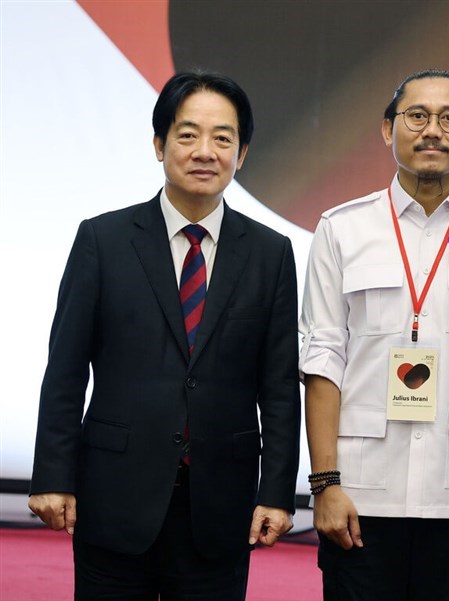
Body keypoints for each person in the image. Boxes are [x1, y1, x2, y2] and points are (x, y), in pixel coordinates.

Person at [28, 71, 301, 600]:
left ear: (241, 153)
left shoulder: (271, 254)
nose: (205, 151)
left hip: (220, 506)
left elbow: (279, 384)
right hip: (113, 496)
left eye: (223, 138)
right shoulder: (102, 240)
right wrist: (52, 475)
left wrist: (277, 492)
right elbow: (64, 369)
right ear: (159, 144)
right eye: (187, 134)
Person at [299, 69, 449, 600]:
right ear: (388, 130)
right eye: (417, 116)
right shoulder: (341, 229)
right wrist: (325, 484)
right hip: (362, 496)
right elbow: (322, 359)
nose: (432, 129)